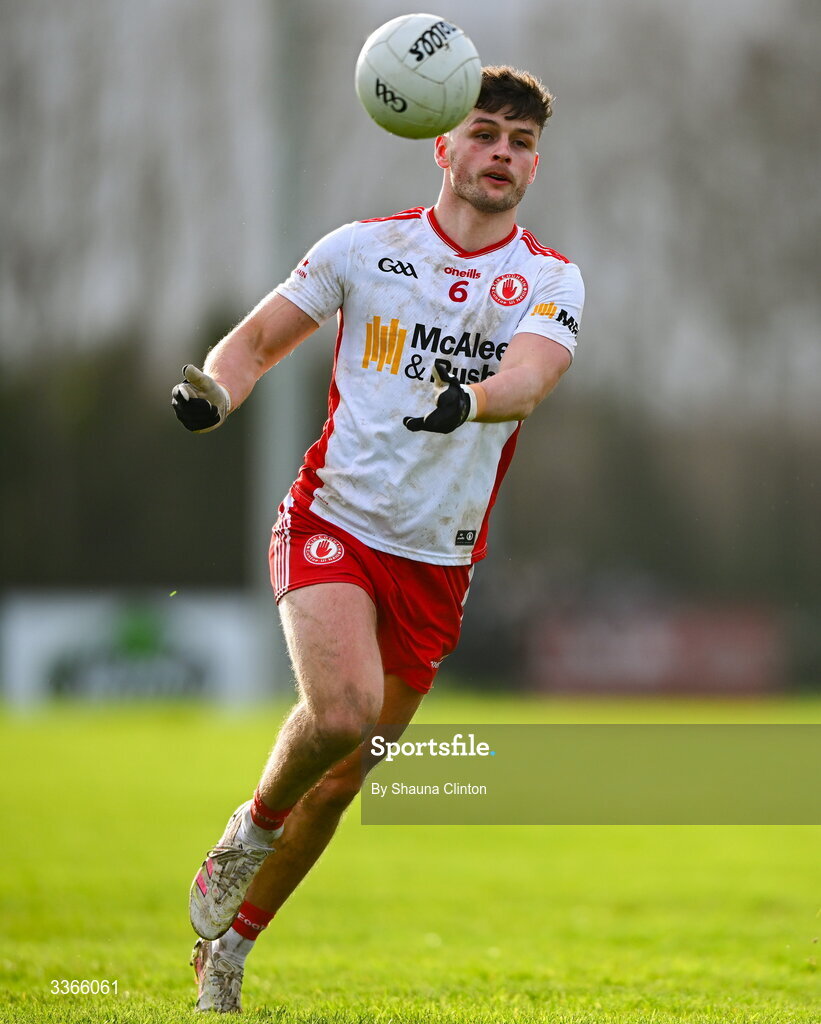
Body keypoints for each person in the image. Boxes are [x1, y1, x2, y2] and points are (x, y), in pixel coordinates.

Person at [172, 65, 584, 1014]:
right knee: (345, 710)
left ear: (533, 167)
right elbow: (259, 340)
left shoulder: (550, 277)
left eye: (521, 144)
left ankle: (230, 950)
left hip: (437, 562)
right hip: (333, 521)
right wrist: (213, 391)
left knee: (346, 777)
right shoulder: (364, 249)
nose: (502, 154)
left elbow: (528, 379)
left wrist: (466, 400)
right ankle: (249, 828)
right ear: (441, 144)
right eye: (485, 133)